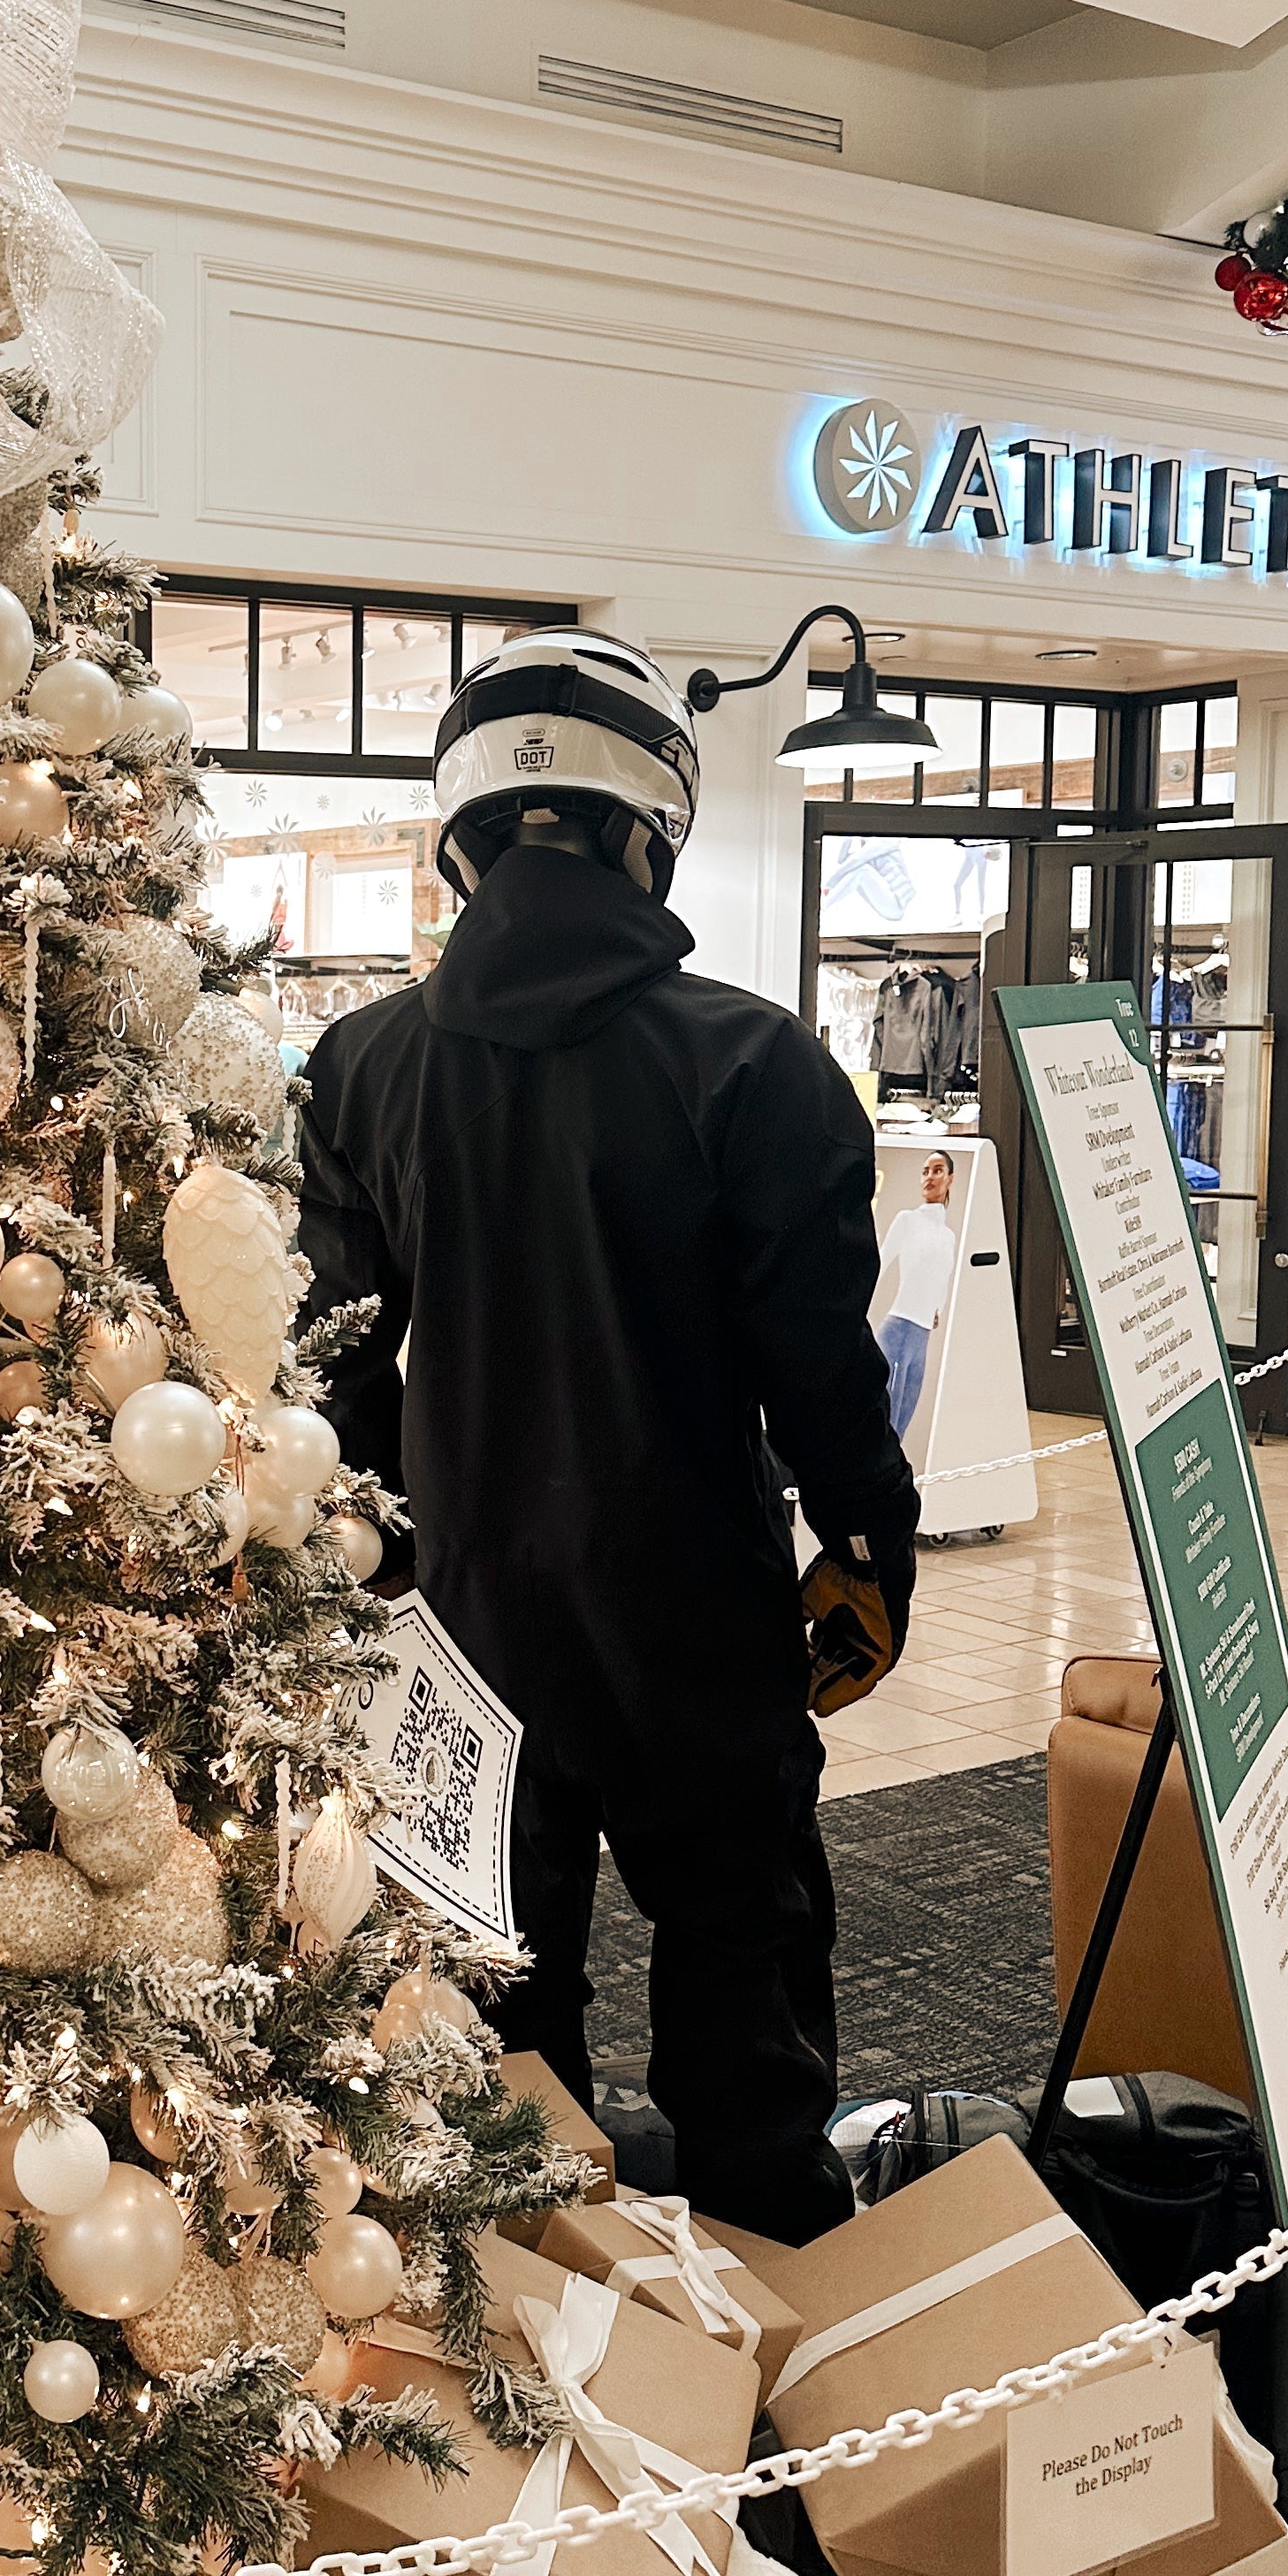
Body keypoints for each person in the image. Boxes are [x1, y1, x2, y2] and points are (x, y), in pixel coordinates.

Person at [295, 630, 920, 2244]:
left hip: (462, 1613)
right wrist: (870, 1542)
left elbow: (334, 1372)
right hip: (694, 1602)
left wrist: (385, 1574)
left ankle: (540, 2328)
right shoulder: (754, 1059)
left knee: (496, 2010)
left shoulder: (360, 1065)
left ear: (460, 838)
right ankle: (778, 2310)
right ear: (653, 831)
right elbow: (815, 1367)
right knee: (740, 1981)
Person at [872, 1150, 958, 1444]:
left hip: (921, 1338)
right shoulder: (907, 1220)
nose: (929, 1177)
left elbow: (942, 1280)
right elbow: (880, 1263)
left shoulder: (948, 1237)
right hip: (896, 1331)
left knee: (902, 1423)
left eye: (937, 1170)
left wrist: (937, 1310)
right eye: (925, 1171)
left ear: (950, 1178)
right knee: (883, 1418)